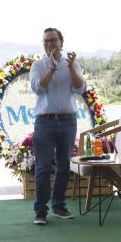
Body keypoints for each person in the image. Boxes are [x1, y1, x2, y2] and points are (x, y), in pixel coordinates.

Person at [29, 27, 86, 225]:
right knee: (43, 167)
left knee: (63, 166)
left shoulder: (73, 64)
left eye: (53, 40)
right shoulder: (38, 65)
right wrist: (52, 68)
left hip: (68, 120)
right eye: (45, 41)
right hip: (44, 122)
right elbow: (39, 88)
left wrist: (69, 68)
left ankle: (59, 206)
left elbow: (80, 88)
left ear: (61, 42)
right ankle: (40, 210)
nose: (49, 44)